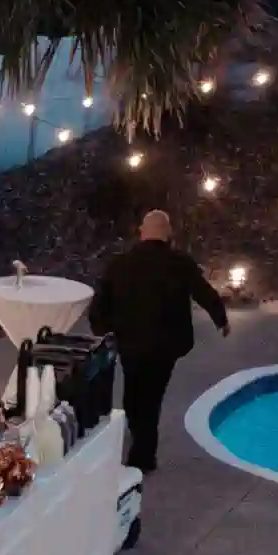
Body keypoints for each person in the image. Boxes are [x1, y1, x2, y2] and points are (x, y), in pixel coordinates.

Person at [85, 205, 230, 487]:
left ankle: (141, 447)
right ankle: (143, 452)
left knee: (134, 394)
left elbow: (100, 302)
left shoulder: (121, 263)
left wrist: (102, 330)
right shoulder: (180, 263)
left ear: (143, 232)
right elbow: (204, 292)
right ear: (168, 234)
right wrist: (221, 319)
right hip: (166, 346)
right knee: (152, 396)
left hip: (130, 342)